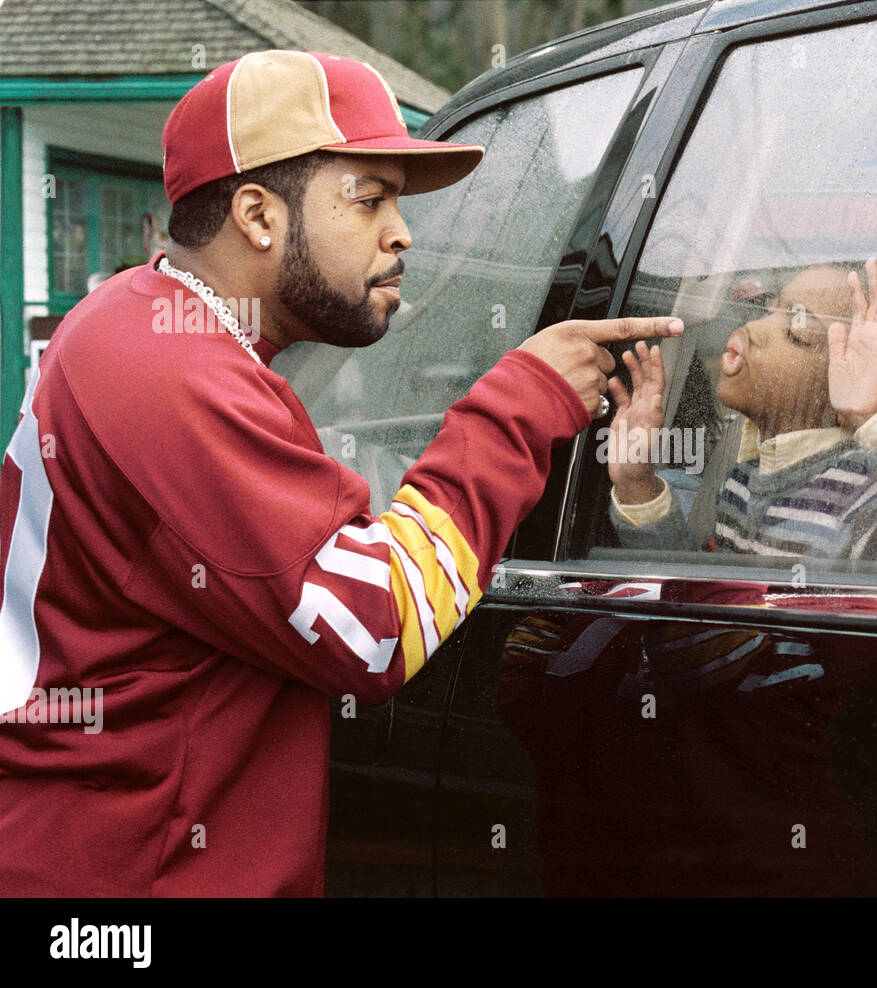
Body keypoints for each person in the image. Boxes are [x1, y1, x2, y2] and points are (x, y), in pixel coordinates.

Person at [0, 50, 680, 896]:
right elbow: (376, 623)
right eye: (370, 198)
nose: (402, 232)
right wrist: (521, 405)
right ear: (258, 214)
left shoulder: (141, 325)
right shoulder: (165, 371)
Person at [607, 259, 877, 564]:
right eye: (774, 308)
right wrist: (636, 485)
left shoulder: (868, 504)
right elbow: (704, 621)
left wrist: (873, 416)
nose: (754, 328)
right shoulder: (742, 481)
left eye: (795, 328)